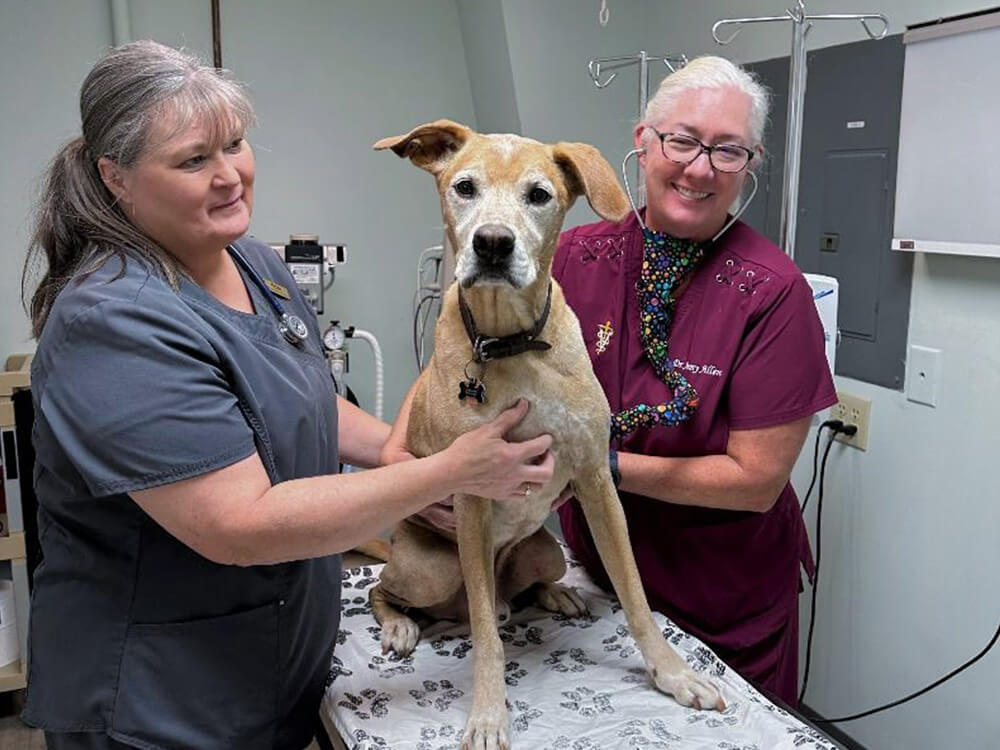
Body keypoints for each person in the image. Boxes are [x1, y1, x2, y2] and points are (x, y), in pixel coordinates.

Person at [19, 40, 554, 750]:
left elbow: (298, 395)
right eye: (193, 160)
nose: (230, 176)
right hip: (160, 701)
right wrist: (447, 472)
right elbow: (238, 524)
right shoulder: (112, 322)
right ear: (115, 177)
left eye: (234, 144)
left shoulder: (251, 262)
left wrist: (395, 455)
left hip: (267, 665)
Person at [552, 56, 837, 706]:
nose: (700, 168)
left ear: (750, 164)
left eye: (727, 150)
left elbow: (756, 482)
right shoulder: (575, 258)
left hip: (723, 602)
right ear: (643, 140)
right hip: (602, 583)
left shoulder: (772, 294)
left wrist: (595, 466)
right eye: (681, 140)